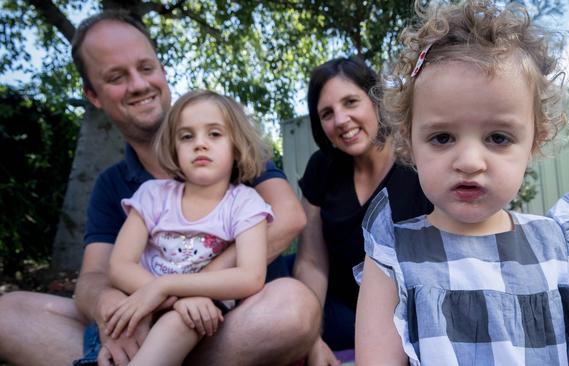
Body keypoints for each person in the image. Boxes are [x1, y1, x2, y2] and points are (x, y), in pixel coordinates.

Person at [0, 11, 320, 366]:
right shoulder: (122, 188)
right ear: (93, 95)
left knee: (294, 306)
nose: (138, 85)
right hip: (144, 319)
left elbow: (289, 218)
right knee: (8, 312)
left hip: (238, 323)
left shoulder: (235, 157)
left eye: (146, 67)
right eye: (117, 77)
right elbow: (95, 276)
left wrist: (177, 291)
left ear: (163, 71)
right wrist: (112, 309)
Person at [355, 1, 569, 365]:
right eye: (443, 138)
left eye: (498, 138)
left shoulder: (557, 246)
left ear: (534, 142)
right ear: (409, 143)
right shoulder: (391, 258)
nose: (470, 162)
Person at [105, 90, 274, 365]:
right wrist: (172, 297)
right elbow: (119, 266)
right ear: (174, 148)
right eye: (187, 136)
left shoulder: (245, 202)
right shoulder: (153, 194)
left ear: (236, 145)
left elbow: (251, 277)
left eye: (215, 134)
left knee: (180, 323)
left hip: (204, 310)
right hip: (143, 297)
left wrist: (169, 288)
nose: (200, 144)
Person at [293, 57, 433, 365]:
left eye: (351, 102)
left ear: (375, 101)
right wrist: (310, 337)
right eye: (327, 113)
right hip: (339, 309)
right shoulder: (321, 167)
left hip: (408, 308)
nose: (341, 119)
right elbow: (312, 261)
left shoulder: (419, 158)